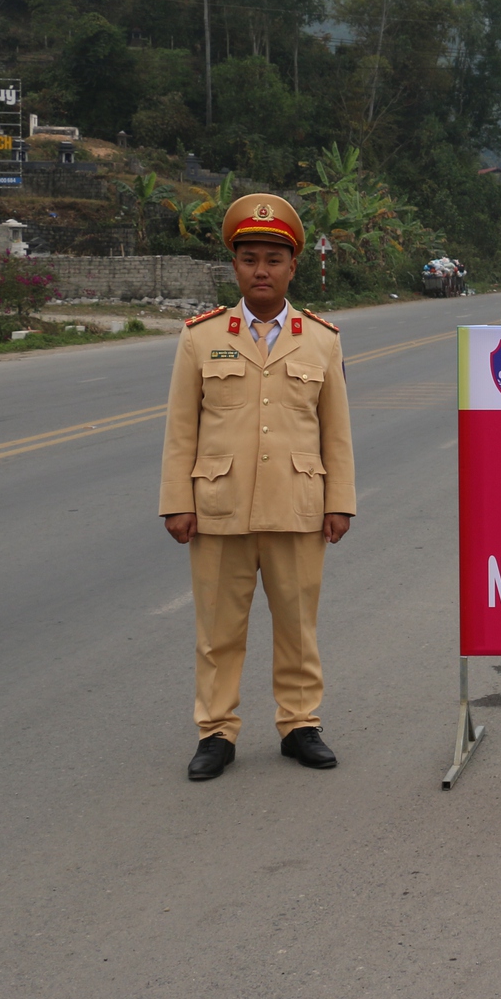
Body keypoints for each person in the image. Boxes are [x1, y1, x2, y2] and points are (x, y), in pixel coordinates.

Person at [160, 193, 355, 782]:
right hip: (218, 507)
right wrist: (177, 502)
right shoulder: (201, 337)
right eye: (250, 258)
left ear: (293, 266)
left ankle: (300, 725)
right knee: (218, 630)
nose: (261, 269)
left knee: (298, 625)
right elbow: (180, 426)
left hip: (298, 504)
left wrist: (340, 502)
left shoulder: (321, 339)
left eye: (273, 258)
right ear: (235, 266)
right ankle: (216, 732)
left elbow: (336, 431)